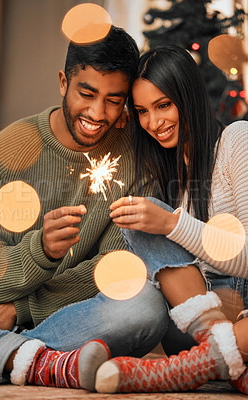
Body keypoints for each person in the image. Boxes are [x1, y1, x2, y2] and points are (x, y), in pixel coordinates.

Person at [0, 27, 169, 389]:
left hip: (76, 319)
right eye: (87, 93)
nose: (98, 113)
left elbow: (118, 267)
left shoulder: (135, 158)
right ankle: (41, 362)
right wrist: (40, 252)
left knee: (145, 307)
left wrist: (21, 311)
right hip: (36, 327)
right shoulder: (1, 154)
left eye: (114, 100)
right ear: (63, 82)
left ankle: (6, 355)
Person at [91, 45, 248, 394]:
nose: (154, 123)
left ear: (188, 96)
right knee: (138, 211)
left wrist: (172, 225)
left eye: (163, 105)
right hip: (194, 321)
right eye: (142, 111)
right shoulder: (168, 174)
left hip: (241, 300)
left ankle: (202, 363)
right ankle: (221, 352)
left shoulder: (237, 140)